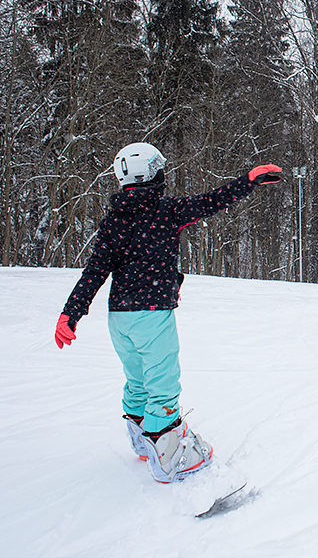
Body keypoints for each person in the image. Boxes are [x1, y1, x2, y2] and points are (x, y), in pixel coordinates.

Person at [54, 142, 282, 483]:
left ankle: (142, 438)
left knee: (137, 380)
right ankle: (171, 458)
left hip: (119, 318)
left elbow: (95, 271)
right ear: (152, 173)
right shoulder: (166, 211)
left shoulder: (113, 221)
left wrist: (70, 313)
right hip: (152, 315)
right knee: (162, 386)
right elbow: (212, 201)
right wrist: (247, 181)